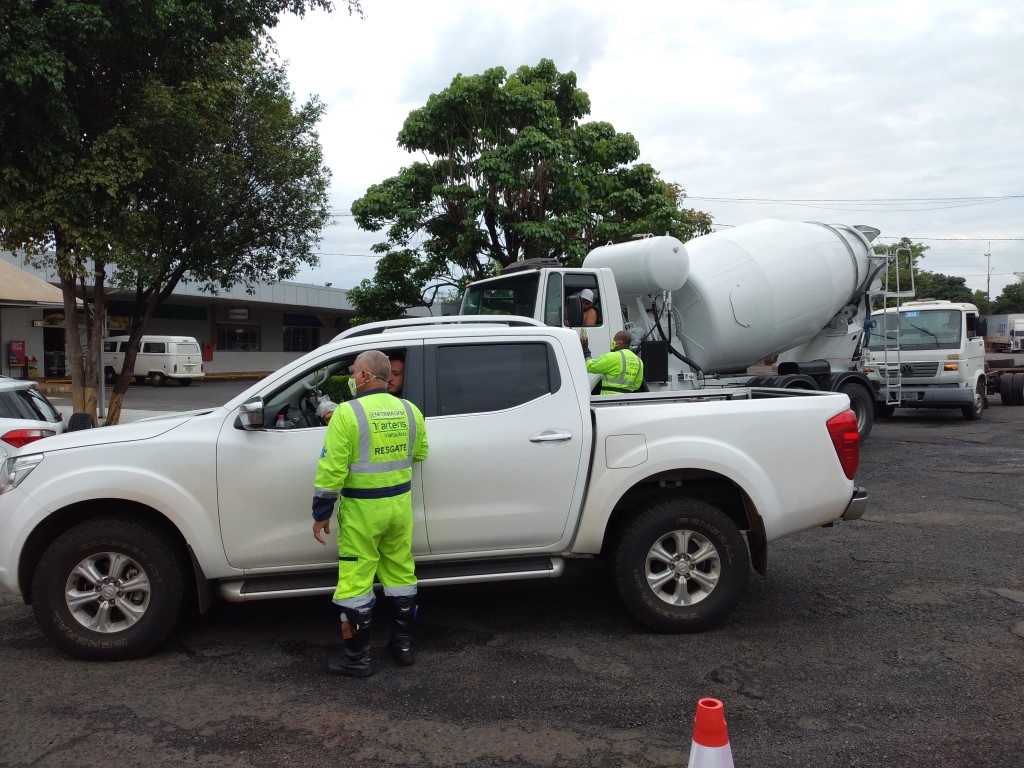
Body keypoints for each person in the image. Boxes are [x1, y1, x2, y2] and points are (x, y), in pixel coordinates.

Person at [311, 350, 428, 677]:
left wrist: (321, 513)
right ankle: (403, 647)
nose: (351, 377)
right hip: (398, 509)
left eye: (352, 372)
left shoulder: (347, 415)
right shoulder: (410, 410)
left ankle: (357, 658)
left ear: (363, 376)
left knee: (355, 581)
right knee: (402, 573)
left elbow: (330, 471)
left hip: (363, 512)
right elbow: (420, 453)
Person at [582, 330, 644, 394]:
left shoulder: (612, 356)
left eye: (614, 340)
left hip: (609, 399)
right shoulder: (639, 361)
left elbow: (590, 366)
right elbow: (637, 385)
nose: (612, 342)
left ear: (619, 343)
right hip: (626, 401)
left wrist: (585, 349)